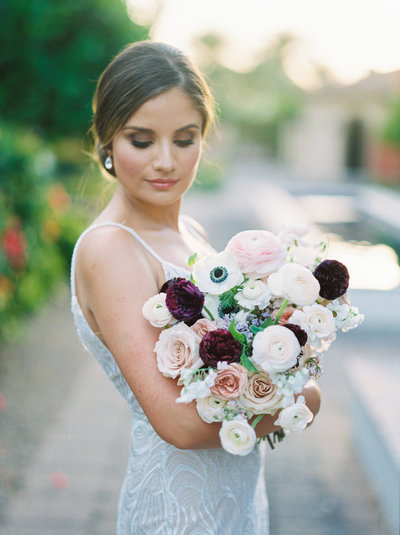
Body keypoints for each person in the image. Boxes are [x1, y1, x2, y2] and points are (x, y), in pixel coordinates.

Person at [70, 41, 321, 535]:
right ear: (107, 142)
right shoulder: (112, 249)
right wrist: (301, 397)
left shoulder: (195, 236)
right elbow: (180, 425)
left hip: (235, 487)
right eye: (141, 140)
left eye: (184, 139)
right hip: (177, 504)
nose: (165, 161)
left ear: (203, 140)